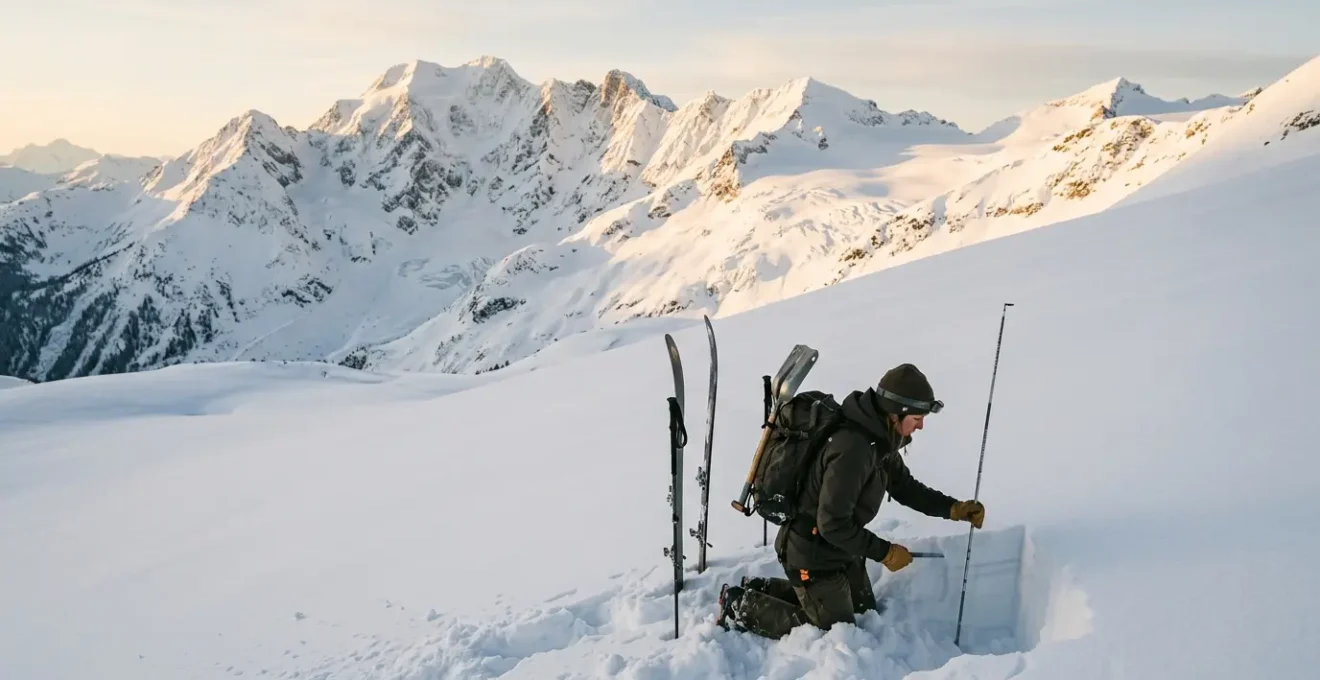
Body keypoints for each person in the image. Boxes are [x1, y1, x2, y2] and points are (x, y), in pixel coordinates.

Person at [716, 363, 986, 639]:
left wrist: (953, 509)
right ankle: (740, 605)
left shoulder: (881, 439)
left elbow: (904, 486)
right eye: (917, 417)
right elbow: (832, 524)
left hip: (841, 549)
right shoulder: (853, 450)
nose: (921, 425)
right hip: (812, 553)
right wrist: (885, 552)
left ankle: (761, 587)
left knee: (863, 610)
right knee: (834, 631)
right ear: (897, 413)